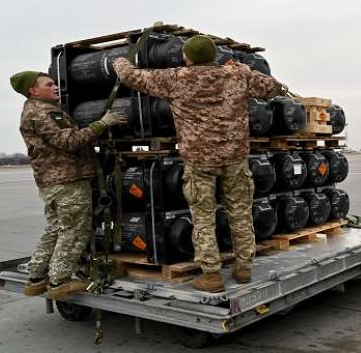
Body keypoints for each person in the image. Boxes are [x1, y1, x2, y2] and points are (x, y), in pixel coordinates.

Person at [113, 35, 282, 292]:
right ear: (214, 56)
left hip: (199, 162)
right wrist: (244, 69)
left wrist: (120, 62)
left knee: (203, 218)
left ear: (187, 57)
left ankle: (211, 276)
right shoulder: (237, 76)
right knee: (240, 214)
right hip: (235, 158)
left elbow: (132, 78)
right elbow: (274, 88)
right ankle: (244, 268)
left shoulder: (176, 78)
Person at [11, 71, 126, 300]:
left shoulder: (33, 110)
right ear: (34, 91)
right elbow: (69, 141)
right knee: (74, 230)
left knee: (55, 229)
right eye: (49, 84)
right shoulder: (44, 112)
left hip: (52, 181)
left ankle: (37, 278)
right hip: (67, 180)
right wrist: (102, 124)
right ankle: (59, 281)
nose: (56, 87)